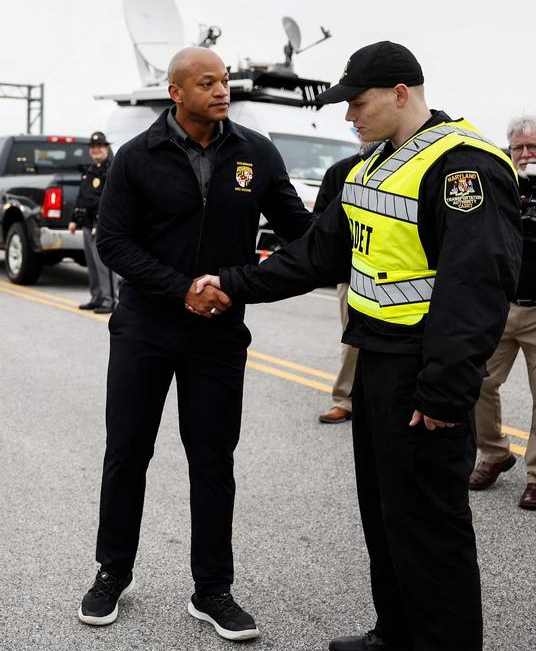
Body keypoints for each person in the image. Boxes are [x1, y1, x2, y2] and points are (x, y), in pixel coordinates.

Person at [197, 41, 521, 651]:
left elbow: (476, 288)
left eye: (358, 102)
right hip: (376, 360)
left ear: (402, 94)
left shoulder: (465, 168)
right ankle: (396, 631)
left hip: (426, 372)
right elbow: (316, 256)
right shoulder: (369, 167)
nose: (349, 116)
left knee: (430, 526)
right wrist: (234, 285)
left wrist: (447, 391)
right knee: (385, 513)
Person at [76, 47, 313, 641]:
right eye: (206, 82)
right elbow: (114, 244)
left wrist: (249, 281)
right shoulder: (136, 158)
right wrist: (183, 289)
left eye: (224, 80)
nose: (221, 89)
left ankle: (212, 590)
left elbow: (299, 230)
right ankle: (112, 574)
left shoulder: (254, 152)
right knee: (128, 453)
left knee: (213, 460)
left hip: (219, 335)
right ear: (176, 93)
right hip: (145, 329)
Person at [469, 115, 536, 510]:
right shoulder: (499, 184)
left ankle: (535, 476)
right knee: (476, 381)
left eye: (533, 147)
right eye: (519, 148)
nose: (526, 154)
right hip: (500, 304)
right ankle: (494, 452)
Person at [314, 136, 371, 425]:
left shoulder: (408, 168)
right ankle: (344, 400)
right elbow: (320, 222)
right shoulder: (340, 172)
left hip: (402, 275)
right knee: (354, 340)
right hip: (352, 274)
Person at [69, 131, 119, 313]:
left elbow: (111, 200)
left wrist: (101, 223)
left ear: (106, 148)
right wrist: (73, 219)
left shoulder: (112, 169)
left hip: (102, 225)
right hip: (87, 223)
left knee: (104, 265)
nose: (96, 150)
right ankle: (97, 297)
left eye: (100, 147)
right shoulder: (90, 170)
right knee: (92, 264)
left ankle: (110, 299)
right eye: (93, 147)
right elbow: (82, 197)